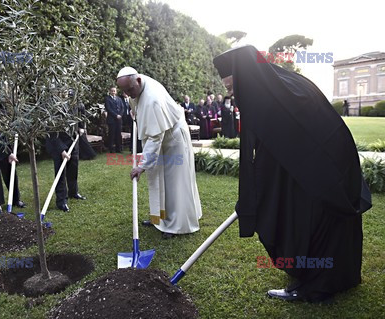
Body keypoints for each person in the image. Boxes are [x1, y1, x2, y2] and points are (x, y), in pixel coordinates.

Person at [213, 45, 372, 303]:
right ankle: (336, 276)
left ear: (247, 80)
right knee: (320, 225)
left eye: (232, 88)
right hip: (327, 173)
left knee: (314, 223)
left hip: (323, 178)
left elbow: (283, 153)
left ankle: (315, 287)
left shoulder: (281, 99)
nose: (231, 95)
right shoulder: (281, 89)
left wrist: (257, 194)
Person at [116, 67, 202, 239]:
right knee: (158, 179)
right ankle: (160, 218)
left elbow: (155, 138)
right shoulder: (137, 88)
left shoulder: (152, 99)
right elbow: (137, 107)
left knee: (174, 184)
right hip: (161, 138)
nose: (128, 95)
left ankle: (175, 225)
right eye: (124, 91)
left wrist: (141, 166)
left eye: (130, 90)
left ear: (138, 81)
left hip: (173, 140)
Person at [45, 129, 87, 212]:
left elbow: (79, 117)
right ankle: (61, 201)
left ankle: (73, 192)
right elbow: (51, 133)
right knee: (60, 174)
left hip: (72, 142)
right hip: (57, 144)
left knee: (73, 169)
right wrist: (61, 150)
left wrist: (80, 128)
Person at [104, 86, 124, 153]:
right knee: (111, 134)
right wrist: (116, 115)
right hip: (111, 119)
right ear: (110, 91)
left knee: (118, 134)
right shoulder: (107, 99)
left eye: (114, 91)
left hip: (119, 119)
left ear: (116, 91)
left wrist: (120, 115)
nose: (113, 92)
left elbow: (122, 107)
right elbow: (108, 109)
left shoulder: (119, 99)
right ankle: (111, 148)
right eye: (112, 91)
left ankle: (119, 148)